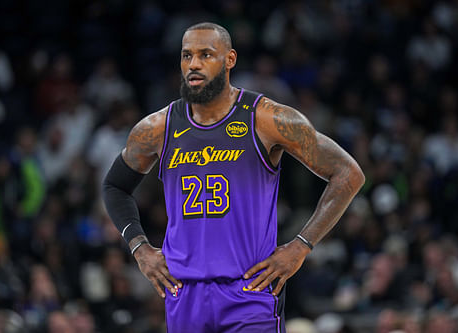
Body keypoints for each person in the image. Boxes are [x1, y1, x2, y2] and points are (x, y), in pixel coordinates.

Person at [102, 22, 365, 333]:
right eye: (187, 56)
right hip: (184, 293)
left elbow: (348, 174)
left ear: (230, 60)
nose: (194, 64)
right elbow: (114, 186)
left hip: (250, 291)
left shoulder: (267, 118)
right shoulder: (157, 127)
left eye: (206, 55)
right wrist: (140, 249)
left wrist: (301, 246)